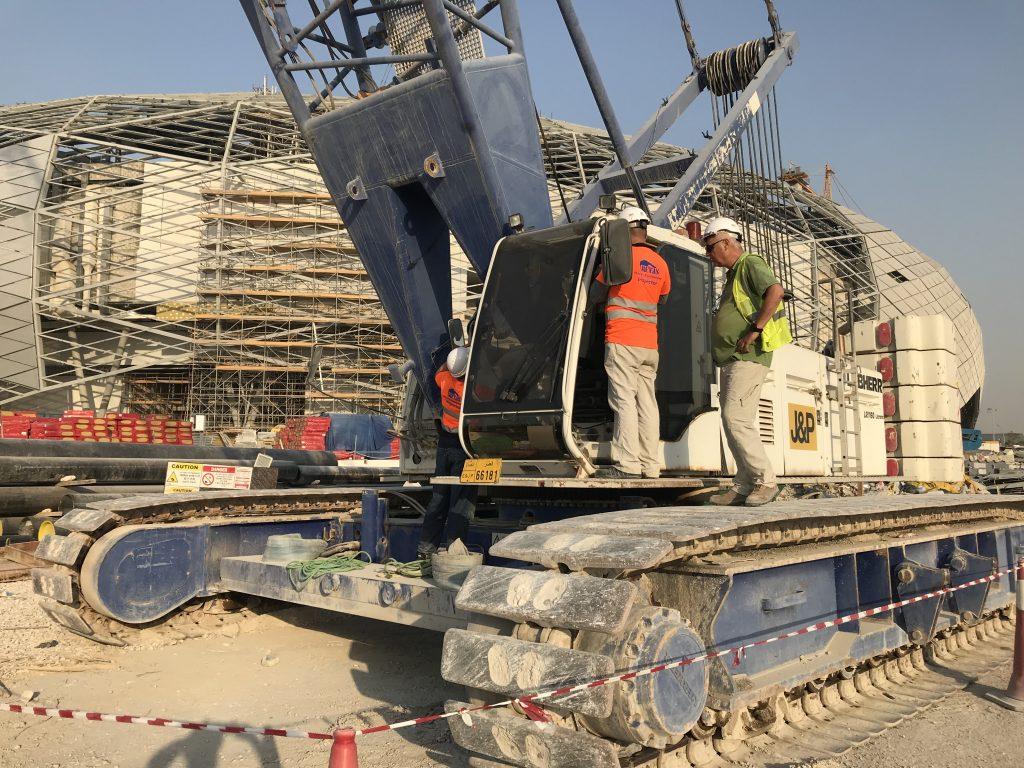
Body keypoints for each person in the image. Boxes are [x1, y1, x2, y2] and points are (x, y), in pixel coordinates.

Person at [703, 216, 790, 507]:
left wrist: (755, 330)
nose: (709, 254)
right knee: (732, 421)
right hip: (732, 357)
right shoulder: (733, 274)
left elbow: (775, 292)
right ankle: (743, 484)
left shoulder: (750, 263)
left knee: (735, 418)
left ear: (726, 241)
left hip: (748, 356)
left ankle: (765, 481)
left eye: (710, 246)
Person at [596, 206, 671, 479]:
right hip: (649, 345)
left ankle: (626, 465)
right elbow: (662, 298)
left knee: (623, 401)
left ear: (623, 232)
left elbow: (594, 292)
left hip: (622, 339)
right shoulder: (661, 263)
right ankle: (650, 466)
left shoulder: (618, 258)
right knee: (647, 405)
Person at [417, 346, 478, 556]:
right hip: (465, 447)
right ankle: (455, 550)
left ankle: (426, 549)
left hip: (445, 446)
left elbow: (439, 370)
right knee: (460, 501)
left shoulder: (443, 379)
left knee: (439, 498)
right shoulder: (473, 389)